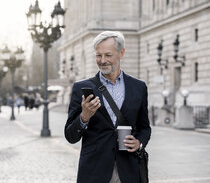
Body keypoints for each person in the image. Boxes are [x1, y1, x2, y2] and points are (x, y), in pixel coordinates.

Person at [64, 31, 151, 183]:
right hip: (94, 171)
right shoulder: (81, 88)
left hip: (129, 170)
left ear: (121, 53)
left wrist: (139, 143)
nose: (102, 60)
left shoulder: (139, 87)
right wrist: (84, 117)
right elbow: (70, 136)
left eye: (108, 55)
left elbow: (145, 127)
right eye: (98, 55)